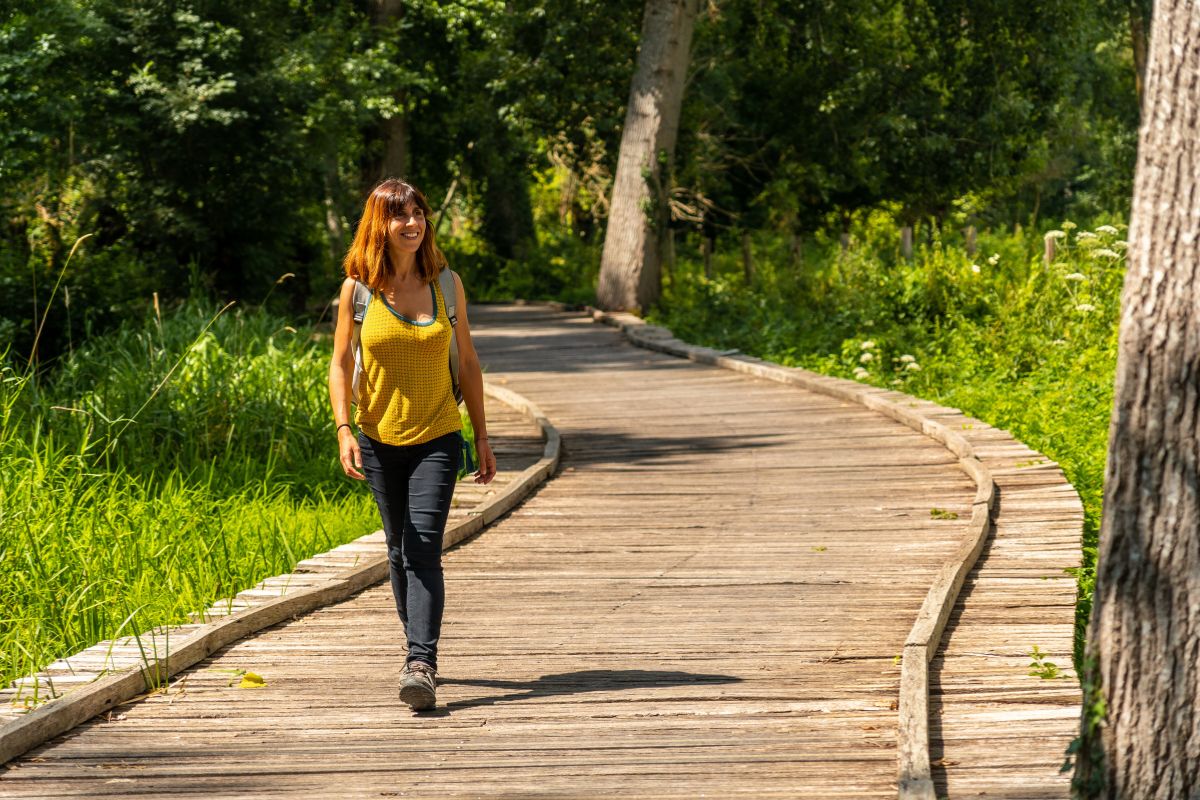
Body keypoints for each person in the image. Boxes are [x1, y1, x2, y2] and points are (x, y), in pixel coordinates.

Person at [327, 178, 496, 712]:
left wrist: (482, 436)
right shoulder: (358, 292)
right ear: (381, 224)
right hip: (377, 438)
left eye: (418, 213)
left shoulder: (446, 284)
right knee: (397, 549)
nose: (413, 224)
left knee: (422, 546)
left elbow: (467, 361)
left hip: (439, 436)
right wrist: (344, 429)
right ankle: (414, 646)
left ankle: (421, 661)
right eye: (401, 216)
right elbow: (338, 364)